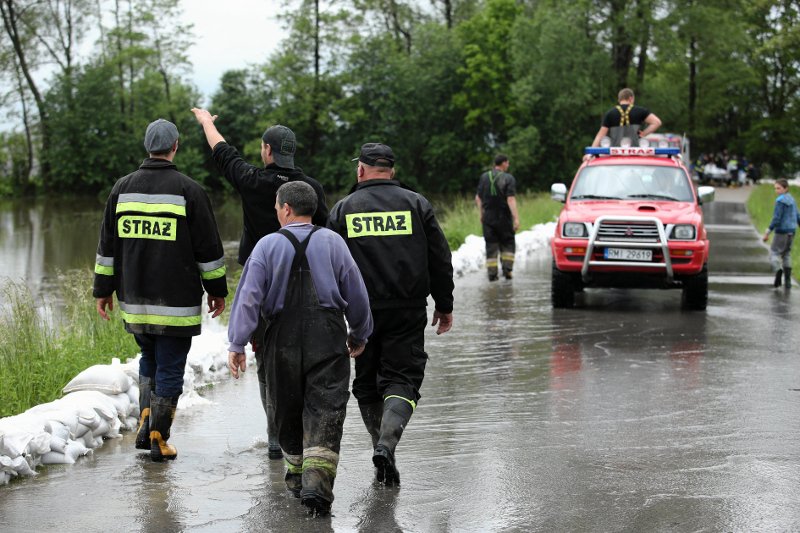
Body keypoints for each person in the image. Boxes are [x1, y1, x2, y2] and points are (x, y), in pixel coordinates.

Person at [226, 181, 372, 516]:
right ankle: (316, 481)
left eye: (277, 207)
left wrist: (236, 342)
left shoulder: (266, 246)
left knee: (286, 406)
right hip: (328, 334)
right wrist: (360, 333)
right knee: (327, 406)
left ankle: (297, 474)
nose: (277, 212)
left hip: (281, 338)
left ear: (286, 208)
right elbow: (356, 291)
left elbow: (248, 298)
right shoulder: (333, 242)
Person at [191, 107, 328, 460]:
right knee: (304, 357)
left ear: (267, 151)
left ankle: (274, 438)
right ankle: (301, 432)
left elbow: (223, 152)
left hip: (264, 287)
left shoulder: (252, 181)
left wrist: (207, 122)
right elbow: (327, 236)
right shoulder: (311, 190)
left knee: (267, 360)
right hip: (306, 287)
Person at [93, 118, 228, 462]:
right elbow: (208, 249)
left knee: (148, 359)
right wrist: (217, 290)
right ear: (176, 146)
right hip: (176, 304)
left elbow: (108, 244)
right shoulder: (188, 190)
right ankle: (158, 436)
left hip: (134, 301)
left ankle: (145, 419)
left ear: (147, 147)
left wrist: (102, 290)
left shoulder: (122, 188)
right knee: (170, 367)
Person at [327, 142, 455, 486]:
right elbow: (440, 258)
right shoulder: (416, 204)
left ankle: (382, 447)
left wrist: (332, 314)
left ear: (361, 170)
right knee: (403, 379)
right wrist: (445, 304)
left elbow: (328, 264)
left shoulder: (343, 209)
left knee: (367, 383)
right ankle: (387, 443)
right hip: (408, 310)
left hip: (360, 314)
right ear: (392, 171)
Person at [475, 154, 520, 281]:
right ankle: (507, 270)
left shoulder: (484, 177)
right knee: (508, 243)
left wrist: (482, 214)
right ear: (504, 163)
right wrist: (516, 218)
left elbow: (478, 198)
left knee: (491, 245)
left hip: (488, 218)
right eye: (508, 163)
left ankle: (492, 274)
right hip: (504, 218)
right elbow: (510, 199)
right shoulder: (508, 178)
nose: (508, 165)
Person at [590, 88, 662, 149]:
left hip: (614, 155)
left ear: (619, 100)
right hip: (635, 153)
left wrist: (590, 154)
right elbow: (657, 122)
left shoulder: (610, 113)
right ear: (631, 98)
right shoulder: (640, 111)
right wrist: (643, 134)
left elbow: (600, 135)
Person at [762, 178, 800, 289]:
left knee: (774, 252)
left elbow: (776, 218)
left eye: (779, 188)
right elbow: (798, 216)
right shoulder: (792, 200)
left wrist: (768, 231)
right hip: (791, 231)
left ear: (786, 188)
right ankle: (787, 281)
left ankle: (778, 270)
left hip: (781, 231)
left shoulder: (780, 201)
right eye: (775, 188)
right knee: (786, 254)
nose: (776, 190)